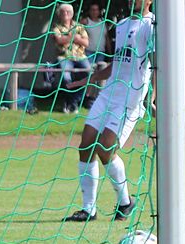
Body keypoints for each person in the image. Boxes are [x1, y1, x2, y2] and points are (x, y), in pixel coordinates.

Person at [61, 0, 154, 223]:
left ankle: (125, 202)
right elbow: (117, 63)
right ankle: (88, 209)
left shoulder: (152, 26)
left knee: (105, 148)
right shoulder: (121, 25)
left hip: (129, 99)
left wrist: (152, 98)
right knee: (86, 145)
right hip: (108, 93)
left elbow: (157, 65)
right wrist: (91, 78)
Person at [52, 3, 90, 114]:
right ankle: (71, 104)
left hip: (80, 56)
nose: (65, 13)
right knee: (66, 79)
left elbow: (86, 42)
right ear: (59, 14)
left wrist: (69, 38)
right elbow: (59, 40)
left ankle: (72, 101)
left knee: (89, 76)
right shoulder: (56, 27)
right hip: (64, 57)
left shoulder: (79, 26)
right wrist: (75, 37)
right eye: (63, 11)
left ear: (72, 14)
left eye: (68, 11)